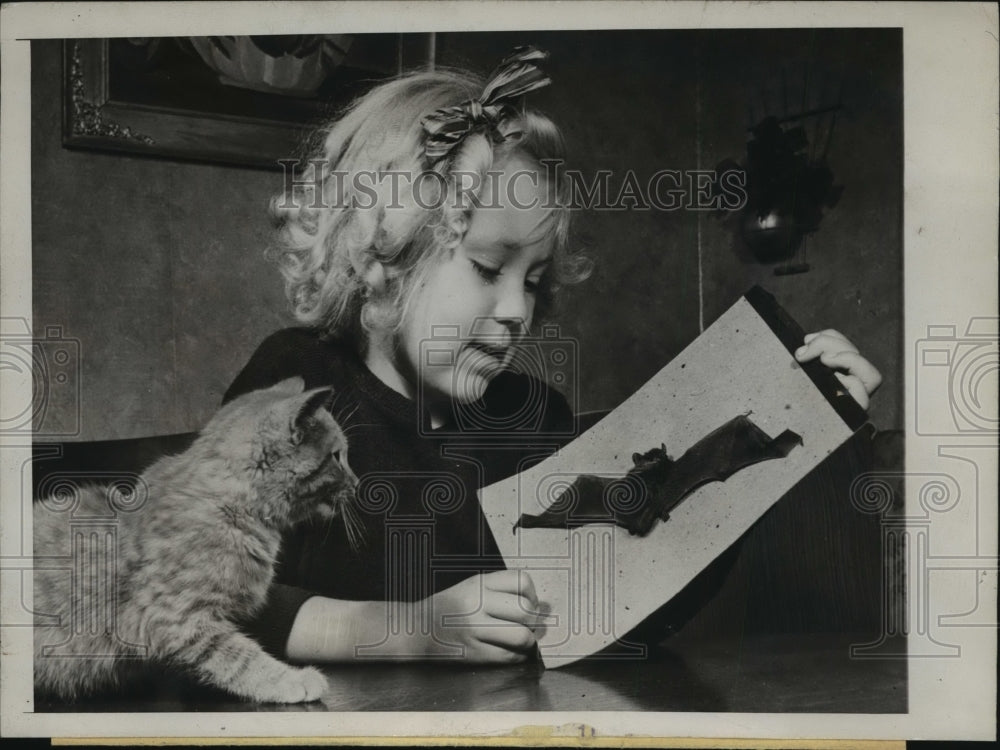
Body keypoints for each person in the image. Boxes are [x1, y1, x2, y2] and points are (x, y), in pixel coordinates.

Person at [224, 48, 882, 666]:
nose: (518, 310)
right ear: (383, 257)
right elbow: (203, 596)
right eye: (488, 268)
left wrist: (799, 422)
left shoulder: (531, 417)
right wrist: (406, 631)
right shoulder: (298, 386)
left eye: (534, 282)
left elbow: (624, 610)